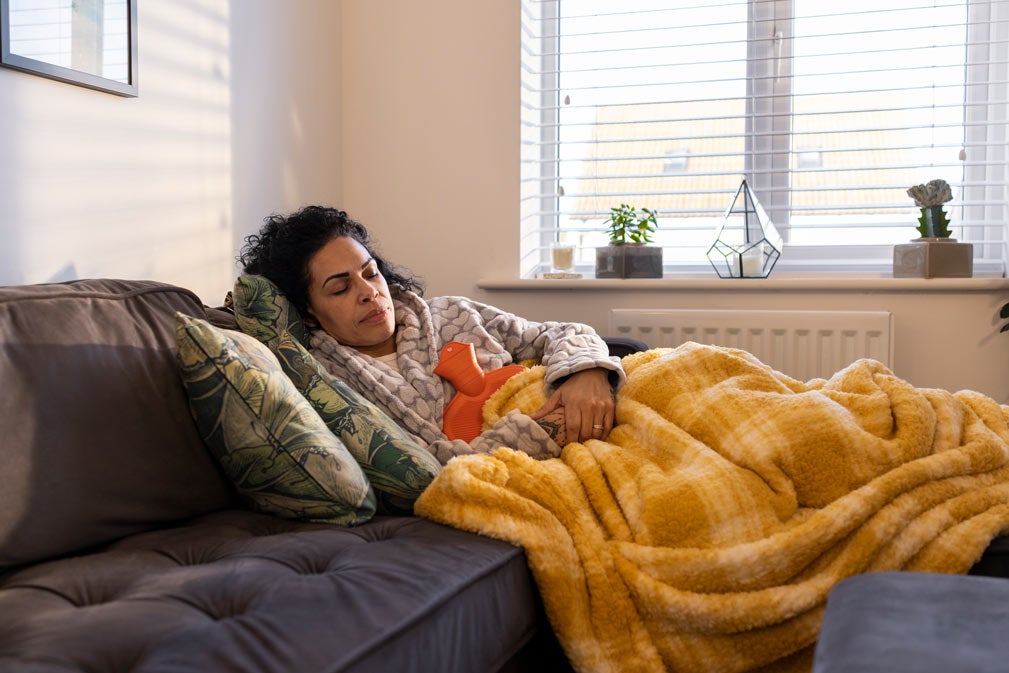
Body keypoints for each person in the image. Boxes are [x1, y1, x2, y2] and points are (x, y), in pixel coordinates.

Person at [238, 205, 625, 465]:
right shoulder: (328, 385)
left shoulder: (452, 314)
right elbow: (426, 463)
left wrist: (586, 372)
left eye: (370, 273)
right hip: (535, 461)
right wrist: (543, 431)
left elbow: (560, 333)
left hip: (600, 417)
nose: (369, 292)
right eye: (340, 288)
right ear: (307, 312)